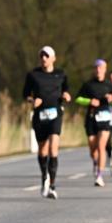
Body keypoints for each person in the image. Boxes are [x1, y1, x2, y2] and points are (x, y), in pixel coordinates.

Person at [22, 46, 71, 199]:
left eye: (47, 56)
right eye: (41, 56)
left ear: (53, 58)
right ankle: (44, 176)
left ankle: (53, 185)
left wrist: (67, 96)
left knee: (53, 148)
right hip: (40, 116)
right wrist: (32, 100)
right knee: (43, 150)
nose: (44, 58)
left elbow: (66, 91)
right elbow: (25, 94)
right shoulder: (33, 75)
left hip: (56, 114)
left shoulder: (61, 74)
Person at [76, 59, 112, 187]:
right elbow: (78, 99)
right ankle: (96, 162)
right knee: (93, 150)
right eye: (96, 68)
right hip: (91, 118)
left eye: (101, 68)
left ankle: (99, 175)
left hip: (104, 118)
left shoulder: (109, 85)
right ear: (94, 70)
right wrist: (89, 101)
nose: (98, 70)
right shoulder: (88, 85)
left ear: (105, 69)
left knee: (101, 146)